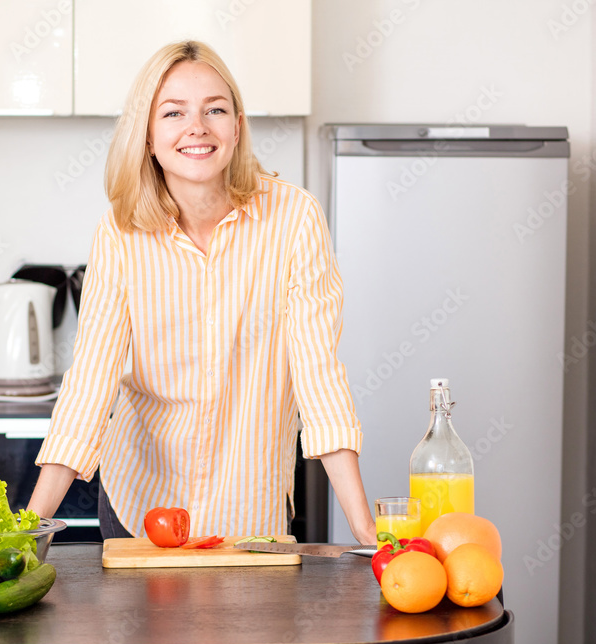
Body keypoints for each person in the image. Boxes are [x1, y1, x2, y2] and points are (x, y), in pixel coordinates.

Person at [28, 40, 375, 544]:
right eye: (173, 113)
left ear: (237, 126)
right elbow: (89, 385)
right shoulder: (121, 233)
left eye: (215, 109)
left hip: (250, 511)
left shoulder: (295, 219)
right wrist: (25, 531)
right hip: (142, 506)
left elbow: (319, 380)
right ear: (147, 136)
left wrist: (364, 529)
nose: (198, 127)